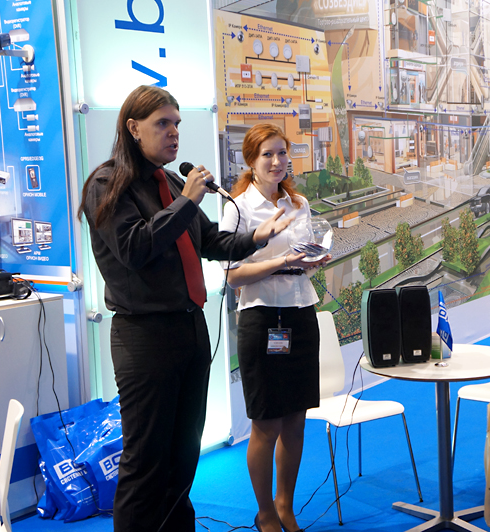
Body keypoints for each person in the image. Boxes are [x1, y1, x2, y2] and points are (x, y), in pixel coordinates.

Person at [78, 85, 292, 532]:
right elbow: (135, 248)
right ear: (133, 128)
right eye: (163, 124)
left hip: (190, 331)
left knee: (183, 455)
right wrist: (186, 202)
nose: (174, 132)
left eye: (176, 123)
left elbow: (209, 240)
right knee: (146, 460)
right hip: (144, 337)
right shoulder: (107, 184)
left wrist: (257, 237)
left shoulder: (173, 183)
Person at [219, 123, 329, 532]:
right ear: (251, 160)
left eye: (282, 153)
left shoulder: (298, 203)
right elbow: (233, 275)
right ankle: (264, 511)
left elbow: (304, 257)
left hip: (300, 311)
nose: (277, 161)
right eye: (267, 154)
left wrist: (313, 260)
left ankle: (286, 505)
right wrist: (282, 261)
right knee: (266, 424)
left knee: (296, 420)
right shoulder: (238, 208)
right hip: (262, 317)